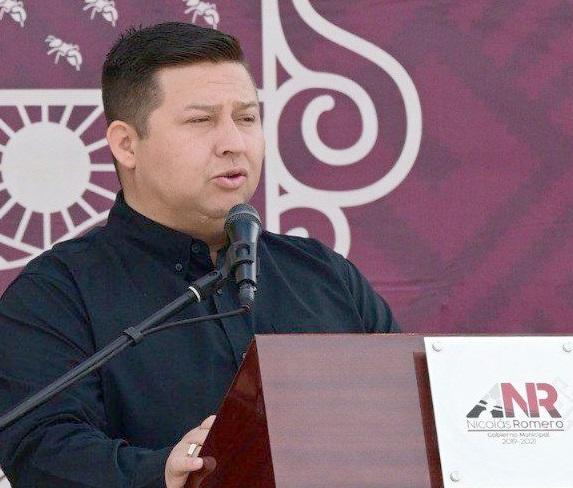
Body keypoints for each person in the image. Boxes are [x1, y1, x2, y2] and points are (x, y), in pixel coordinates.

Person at [0, 22, 399, 488]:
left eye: (246, 118)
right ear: (126, 144)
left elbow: (414, 413)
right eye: (201, 121)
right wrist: (161, 472)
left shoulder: (323, 275)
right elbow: (41, 447)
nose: (234, 142)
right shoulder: (57, 293)